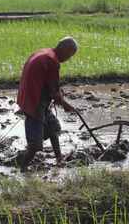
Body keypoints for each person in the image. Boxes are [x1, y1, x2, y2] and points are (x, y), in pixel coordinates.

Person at [16, 37, 78, 172]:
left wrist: (57, 94)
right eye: (70, 55)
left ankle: (59, 158)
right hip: (34, 102)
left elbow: (51, 84)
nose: (69, 58)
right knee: (35, 144)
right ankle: (23, 169)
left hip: (32, 97)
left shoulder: (44, 52)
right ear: (64, 49)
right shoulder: (52, 61)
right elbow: (54, 91)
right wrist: (65, 105)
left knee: (53, 127)